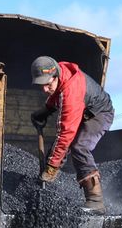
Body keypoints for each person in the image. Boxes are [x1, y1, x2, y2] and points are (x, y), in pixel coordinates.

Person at [30, 56, 114, 213]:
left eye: (47, 85)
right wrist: (45, 111)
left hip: (100, 113)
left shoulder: (71, 93)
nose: (44, 90)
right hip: (85, 111)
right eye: (41, 85)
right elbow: (56, 92)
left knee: (78, 146)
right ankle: (44, 188)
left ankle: (96, 200)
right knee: (58, 150)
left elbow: (65, 134)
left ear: (55, 76)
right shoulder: (60, 72)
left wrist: (52, 166)